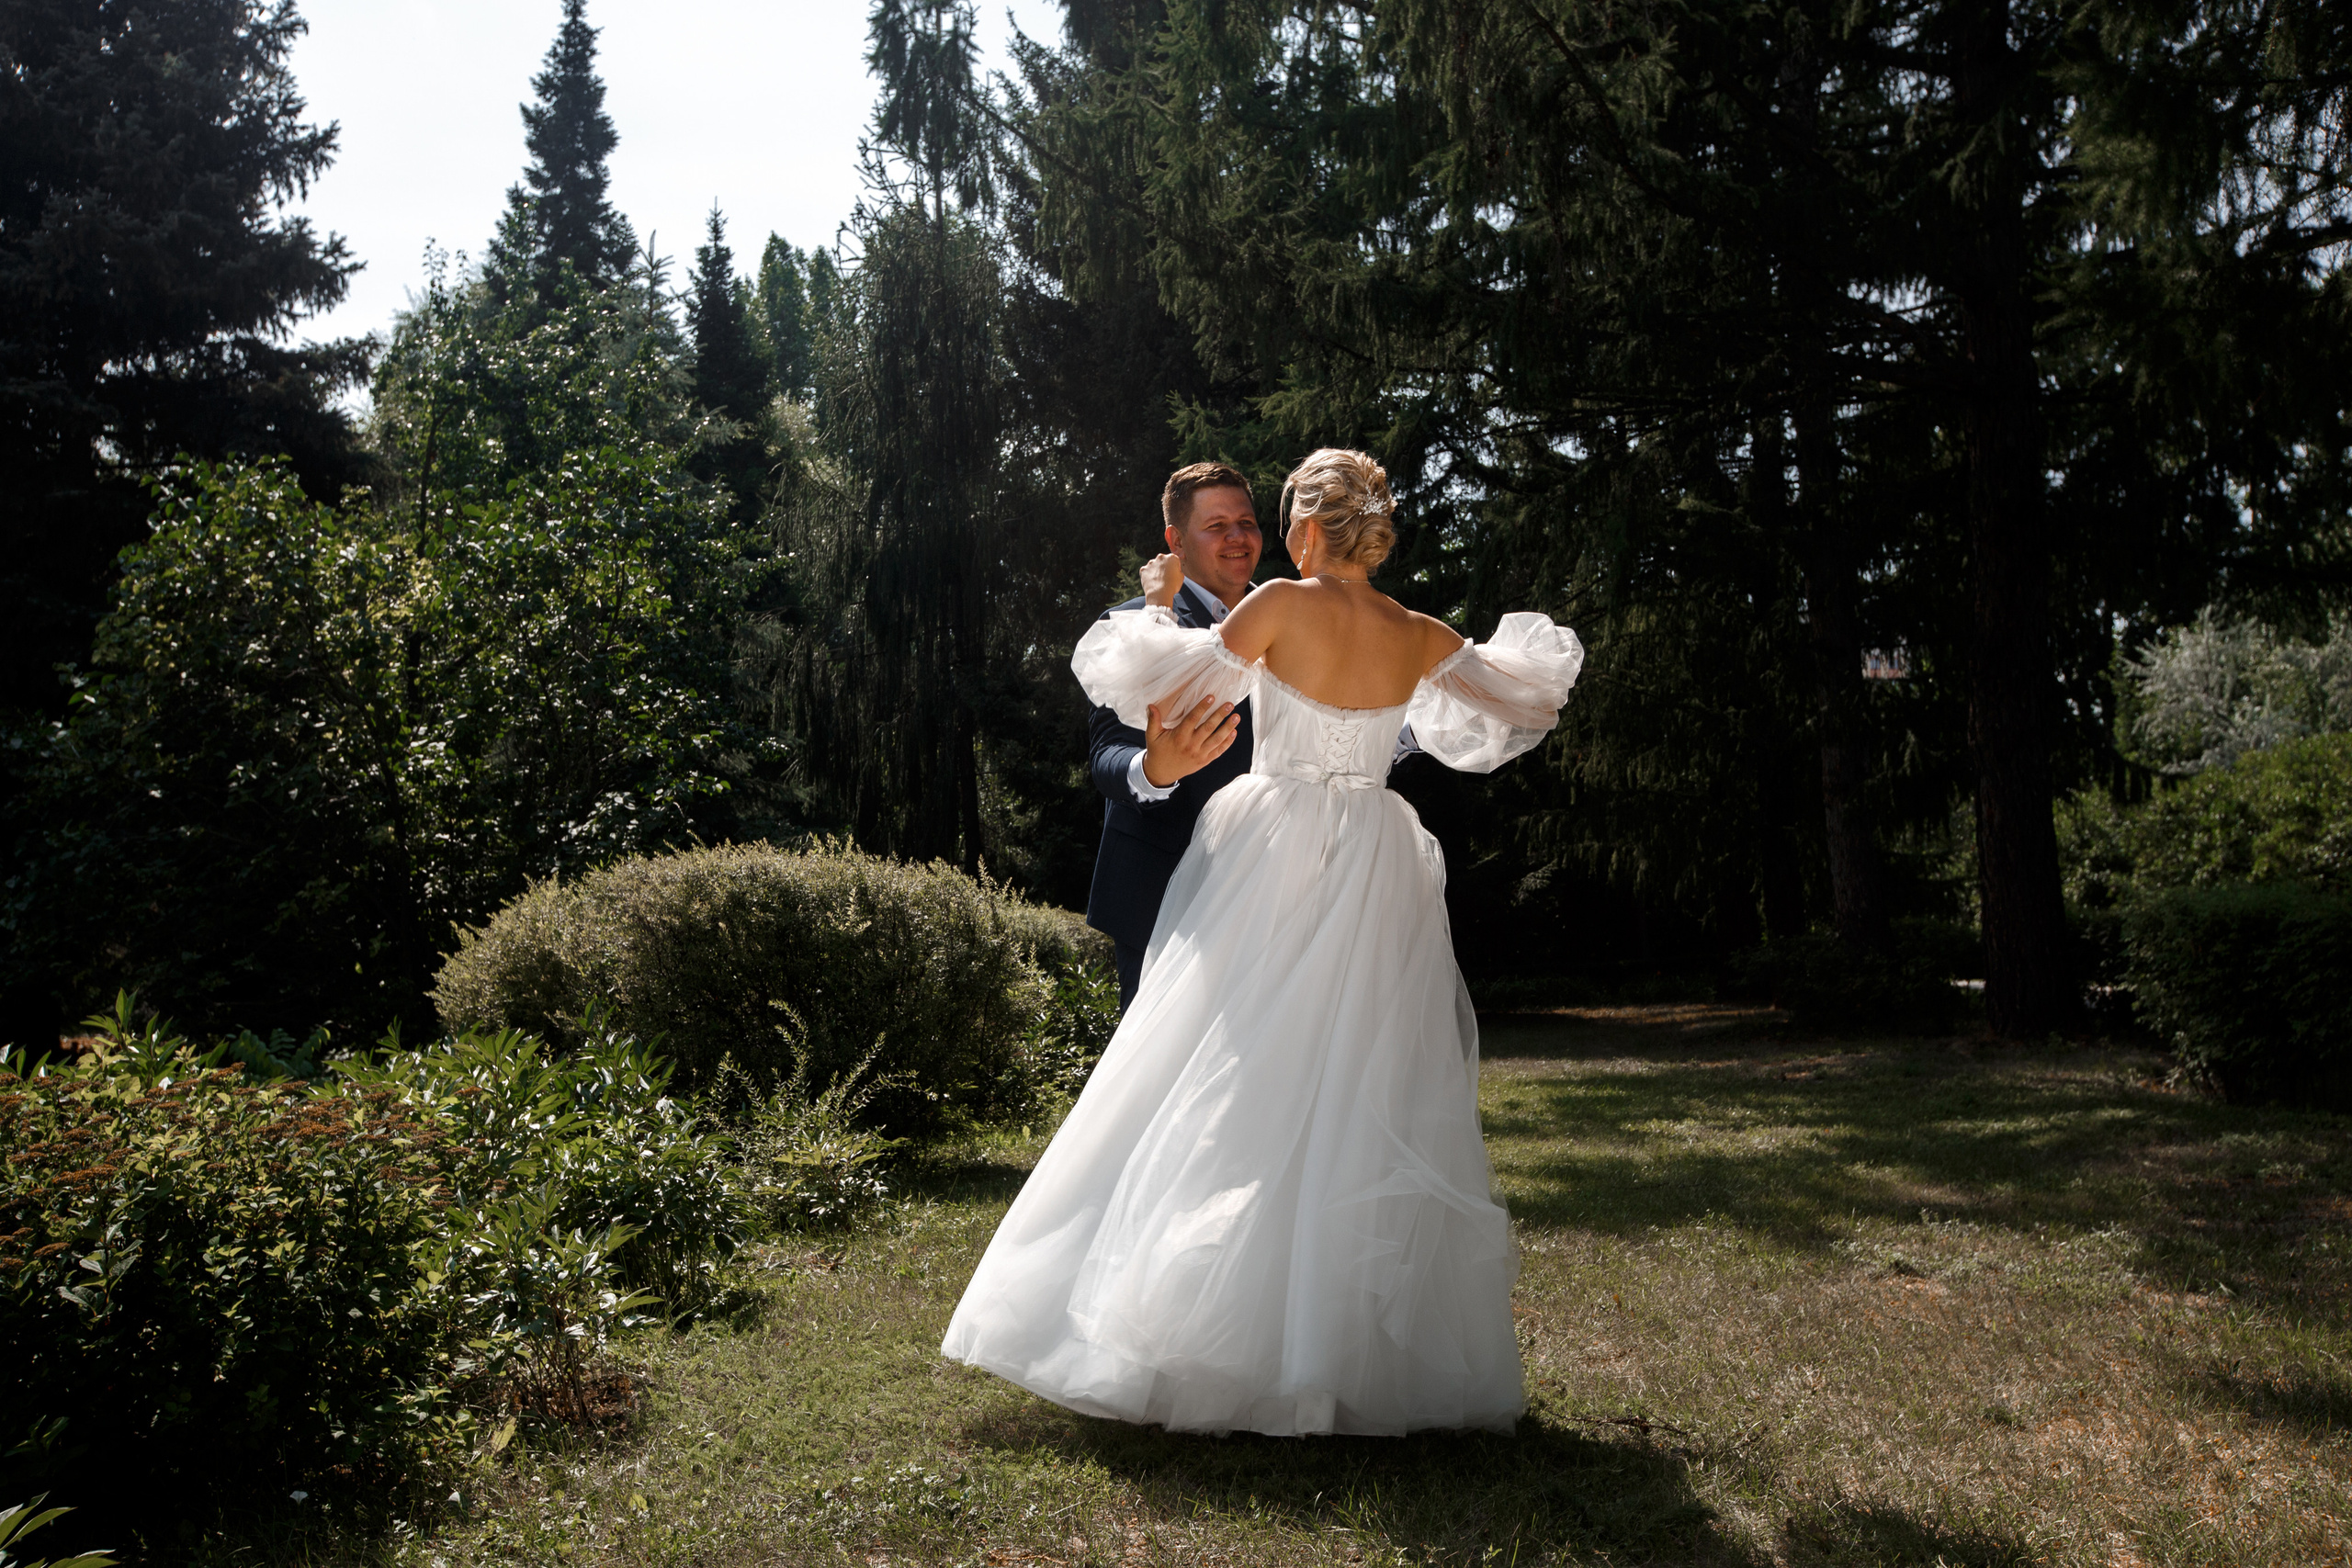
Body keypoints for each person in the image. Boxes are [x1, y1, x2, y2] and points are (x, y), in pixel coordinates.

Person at [942, 447, 1583, 1437]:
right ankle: (1343, 1354)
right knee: (1358, 1079)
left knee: (1223, 1071)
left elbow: (1175, 675)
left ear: (1303, 528)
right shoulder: (1418, 632)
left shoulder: (1279, 603)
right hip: (1377, 859)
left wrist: (1154, 611)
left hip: (1274, 844)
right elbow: (1521, 702)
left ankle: (1193, 1331)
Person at [1084, 462, 1261, 1012]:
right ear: (1175, 541)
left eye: (1247, 521)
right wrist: (1157, 767)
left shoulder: (1299, 623)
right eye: (1217, 526)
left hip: (1272, 889)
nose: (1237, 537)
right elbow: (1106, 755)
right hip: (1160, 892)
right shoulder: (1132, 625)